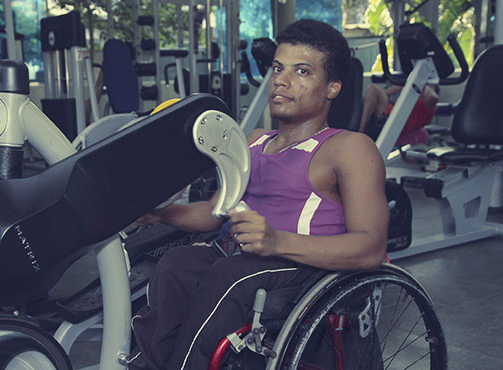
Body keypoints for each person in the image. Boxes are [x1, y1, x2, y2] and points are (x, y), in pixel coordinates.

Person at [128, 19, 388, 370]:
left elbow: (371, 247)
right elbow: (214, 212)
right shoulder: (254, 141)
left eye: (302, 72)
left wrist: (276, 241)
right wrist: (161, 214)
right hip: (243, 261)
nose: (281, 80)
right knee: (176, 265)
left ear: (332, 88)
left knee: (231, 276)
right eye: (278, 68)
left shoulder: (349, 148)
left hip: (303, 270)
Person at [358, 83, 439, 146]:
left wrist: (425, 84)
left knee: (373, 89)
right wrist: (398, 87)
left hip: (390, 121)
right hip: (386, 114)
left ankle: (360, 131)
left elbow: (432, 97)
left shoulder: (429, 106)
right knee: (367, 95)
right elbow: (381, 94)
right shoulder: (413, 99)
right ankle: (358, 129)